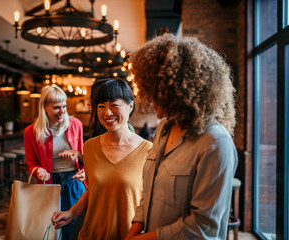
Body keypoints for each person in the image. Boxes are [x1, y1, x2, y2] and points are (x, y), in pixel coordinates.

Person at [124, 33, 238, 239]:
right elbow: (149, 194)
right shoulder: (164, 128)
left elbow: (203, 228)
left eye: (157, 93)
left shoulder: (214, 142)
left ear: (179, 91)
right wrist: (134, 230)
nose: (150, 100)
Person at [51, 79, 153, 239]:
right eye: (101, 106)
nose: (107, 113)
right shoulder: (90, 147)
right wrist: (70, 213)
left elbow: (149, 202)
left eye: (114, 105)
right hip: (93, 233)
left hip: (128, 234)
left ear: (130, 106)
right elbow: (92, 190)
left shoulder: (148, 150)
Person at [24, 85, 86, 240]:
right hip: (48, 184)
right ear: (44, 107)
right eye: (57, 107)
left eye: (64, 106)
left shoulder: (75, 124)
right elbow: (31, 163)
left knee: (73, 228)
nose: (62, 111)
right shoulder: (31, 132)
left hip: (73, 181)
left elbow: (84, 157)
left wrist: (79, 159)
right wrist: (38, 170)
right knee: (49, 227)